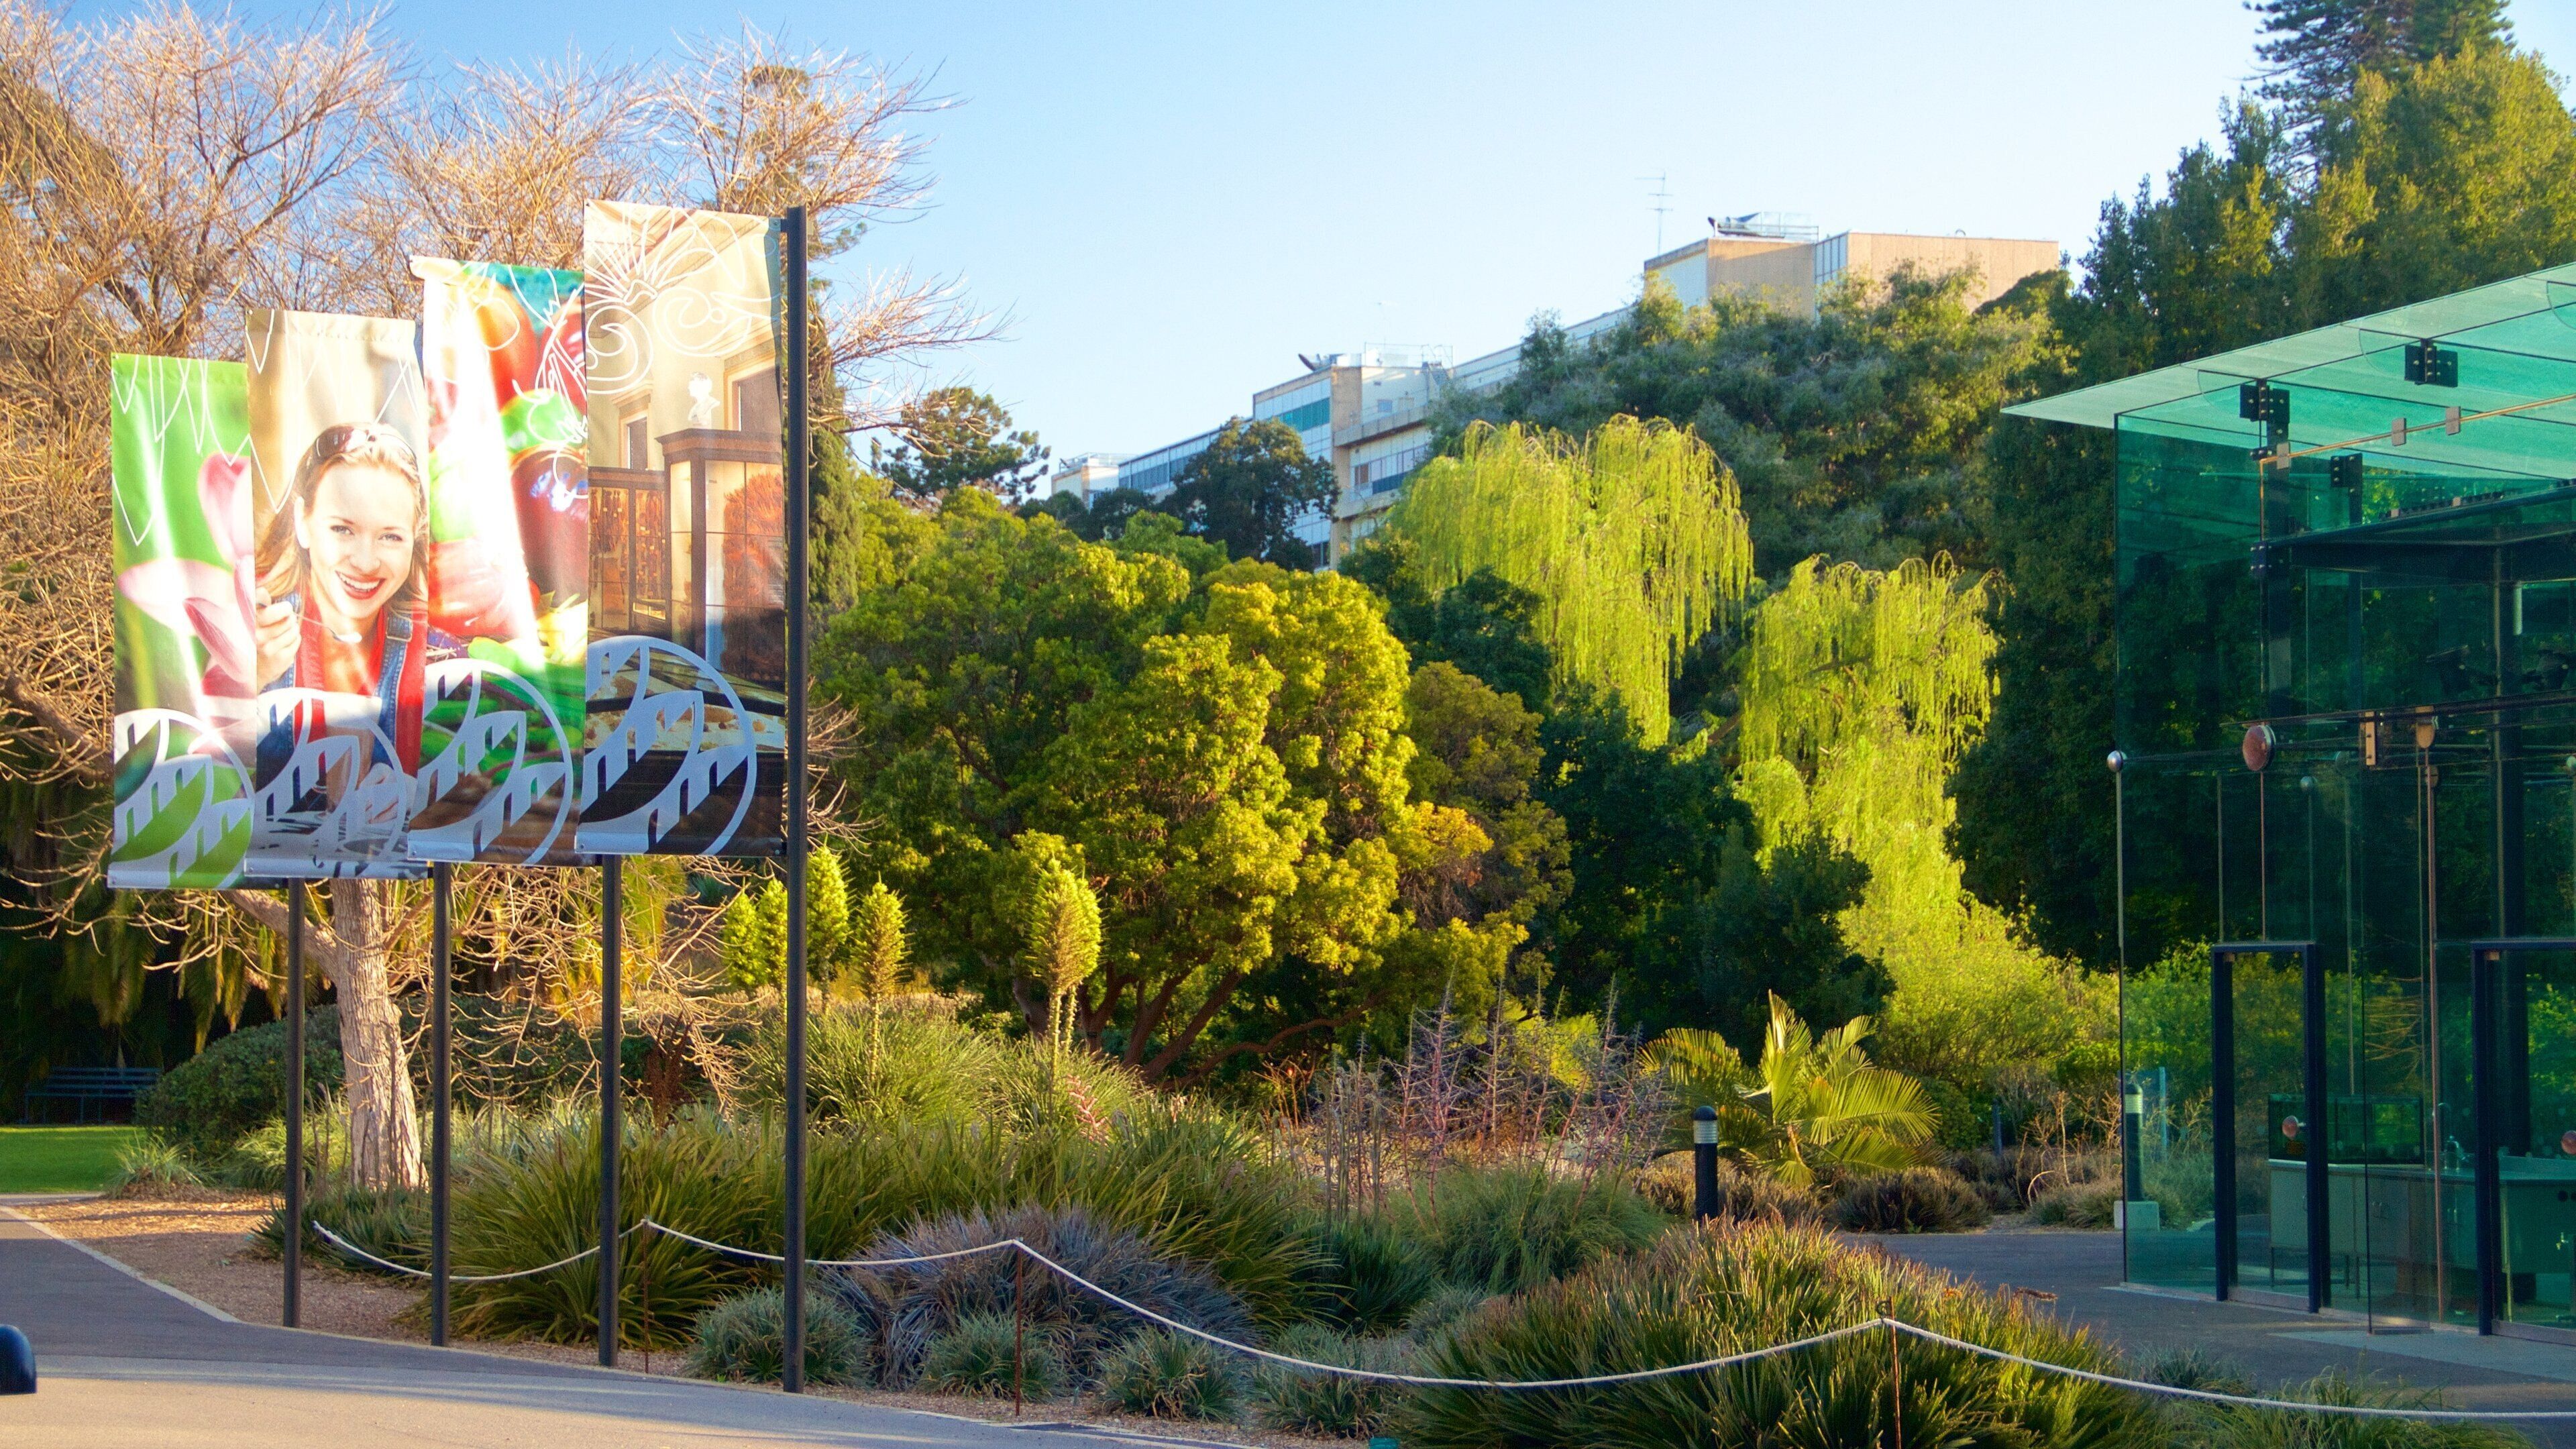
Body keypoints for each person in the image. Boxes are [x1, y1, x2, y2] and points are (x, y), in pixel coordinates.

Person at [253, 423, 455, 774]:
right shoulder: (251, 625)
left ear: (415, 538)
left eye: (390, 537)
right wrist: (244, 679)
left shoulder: (441, 657)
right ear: (303, 522)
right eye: (342, 530)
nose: (365, 562)